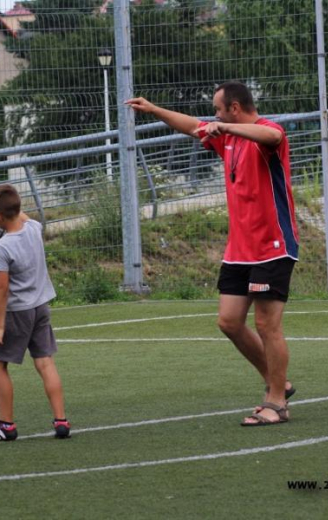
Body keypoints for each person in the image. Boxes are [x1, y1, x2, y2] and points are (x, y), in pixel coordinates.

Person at [126, 81, 299, 426]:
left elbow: (273, 138)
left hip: (272, 245)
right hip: (240, 249)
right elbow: (192, 126)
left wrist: (227, 126)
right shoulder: (226, 138)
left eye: (219, 109)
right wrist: (155, 109)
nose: (214, 116)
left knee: (267, 325)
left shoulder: (266, 132)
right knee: (229, 322)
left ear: (235, 108)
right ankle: (279, 381)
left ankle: (276, 402)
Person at [0, 184, 70, 441]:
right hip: (42, 307)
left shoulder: (2, 247)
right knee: (45, 361)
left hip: (18, 312)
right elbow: (21, 217)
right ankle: (61, 421)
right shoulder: (34, 228)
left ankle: (6, 426)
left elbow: (2, 289)